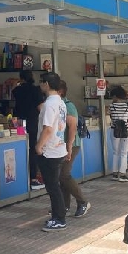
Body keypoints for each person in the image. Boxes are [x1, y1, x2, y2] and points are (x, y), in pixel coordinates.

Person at [36, 72, 68, 232]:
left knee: (52, 187)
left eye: (41, 82)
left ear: (47, 84)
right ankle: (58, 215)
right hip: (59, 148)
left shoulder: (49, 104)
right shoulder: (61, 103)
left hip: (50, 151)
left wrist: (38, 146)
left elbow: (48, 129)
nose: (40, 85)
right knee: (55, 186)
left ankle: (59, 219)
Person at [58, 80, 90, 218]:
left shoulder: (68, 106)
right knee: (61, 176)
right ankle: (64, 206)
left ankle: (82, 201)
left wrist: (69, 146)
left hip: (71, 144)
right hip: (61, 145)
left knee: (64, 174)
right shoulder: (57, 105)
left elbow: (72, 127)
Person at [12, 70, 45, 190]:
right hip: (33, 122)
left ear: (21, 78)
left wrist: (16, 84)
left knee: (21, 148)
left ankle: (22, 177)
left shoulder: (17, 90)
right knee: (33, 150)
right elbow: (40, 107)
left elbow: (14, 91)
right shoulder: (36, 90)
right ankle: (33, 178)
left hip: (19, 123)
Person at [109, 86, 128, 182]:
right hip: (126, 131)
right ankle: (123, 174)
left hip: (114, 131)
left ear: (116, 96)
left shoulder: (112, 106)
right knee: (124, 153)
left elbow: (112, 118)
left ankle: (115, 174)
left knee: (115, 152)